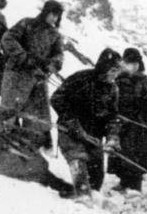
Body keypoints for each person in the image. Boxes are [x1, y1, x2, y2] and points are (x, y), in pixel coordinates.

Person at [50, 48, 123, 196]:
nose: (115, 75)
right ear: (104, 67)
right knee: (79, 164)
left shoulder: (113, 89)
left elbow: (113, 117)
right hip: (71, 131)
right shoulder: (81, 78)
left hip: (93, 136)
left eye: (118, 71)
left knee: (96, 180)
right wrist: (71, 120)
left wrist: (112, 137)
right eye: (113, 71)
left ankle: (91, 199)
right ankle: (81, 200)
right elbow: (57, 98)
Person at [0, 0, 64, 149]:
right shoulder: (27, 24)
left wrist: (52, 64)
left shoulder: (55, 35)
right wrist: (24, 57)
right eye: (52, 14)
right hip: (16, 75)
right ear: (45, 12)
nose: (54, 18)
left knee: (35, 117)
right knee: (9, 111)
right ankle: (2, 142)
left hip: (37, 79)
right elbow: (7, 38)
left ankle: (29, 147)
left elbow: (59, 55)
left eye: (57, 16)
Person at [107, 48, 147, 192]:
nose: (134, 66)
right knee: (120, 155)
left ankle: (135, 187)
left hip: (138, 126)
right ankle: (123, 183)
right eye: (130, 62)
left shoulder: (144, 81)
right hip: (120, 123)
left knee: (136, 157)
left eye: (136, 63)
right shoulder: (116, 79)